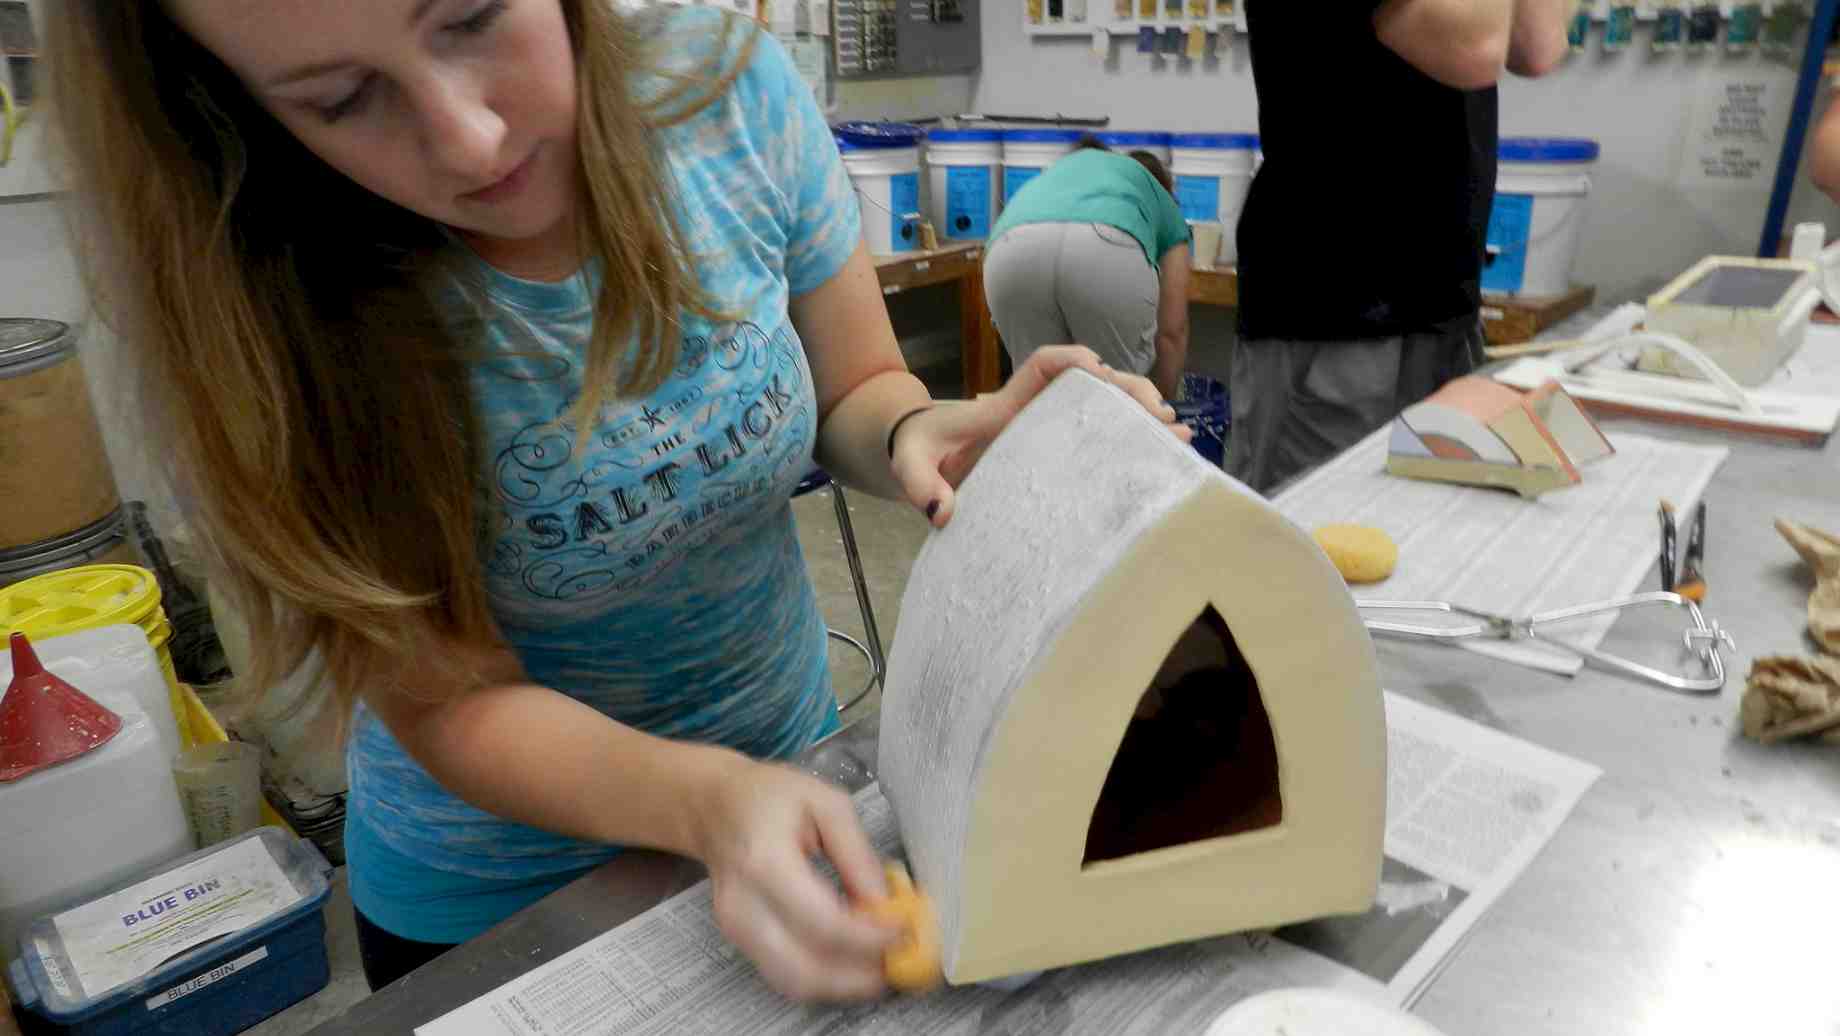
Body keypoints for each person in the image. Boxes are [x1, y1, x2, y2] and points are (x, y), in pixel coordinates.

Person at [46, 0, 1185, 1000]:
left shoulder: (728, 100)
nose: (469, 135)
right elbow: (450, 702)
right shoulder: (263, 298)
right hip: (499, 895)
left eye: (475, 14)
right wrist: (702, 803)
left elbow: (856, 385)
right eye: (341, 99)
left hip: (792, 778)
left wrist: (912, 429)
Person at [1229, 0, 1571, 494]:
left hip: (1441, 303)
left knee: (1424, 540)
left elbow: (1538, 46)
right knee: (1302, 549)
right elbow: (1475, 46)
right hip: (1335, 313)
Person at [983, 136, 1193, 399]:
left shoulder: (1062, 176)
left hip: (1010, 246)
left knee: (1036, 398)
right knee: (1115, 399)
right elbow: (1172, 332)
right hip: (1103, 249)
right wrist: (1165, 407)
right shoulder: (1160, 202)